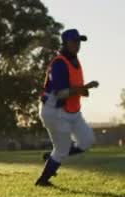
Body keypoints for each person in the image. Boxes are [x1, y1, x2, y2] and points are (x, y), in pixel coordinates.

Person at [36, 29, 99, 187]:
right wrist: (84, 88)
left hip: (72, 110)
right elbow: (60, 94)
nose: (77, 45)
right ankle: (43, 180)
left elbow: (76, 89)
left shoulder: (75, 61)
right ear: (65, 43)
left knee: (87, 140)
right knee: (62, 149)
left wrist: (84, 90)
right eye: (74, 42)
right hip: (54, 111)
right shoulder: (59, 63)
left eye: (79, 42)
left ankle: (54, 156)